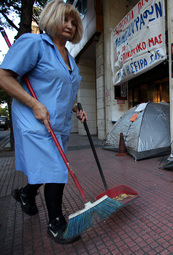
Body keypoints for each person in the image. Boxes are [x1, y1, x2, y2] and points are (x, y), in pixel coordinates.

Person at [0, 0, 87, 244]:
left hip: (59, 124)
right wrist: (34, 104)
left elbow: (66, 92)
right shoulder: (34, 43)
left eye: (73, 22)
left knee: (46, 168)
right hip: (34, 120)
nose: (69, 25)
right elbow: (4, 77)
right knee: (57, 170)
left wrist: (77, 109)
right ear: (51, 18)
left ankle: (26, 194)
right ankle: (56, 223)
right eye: (64, 19)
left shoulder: (71, 60)